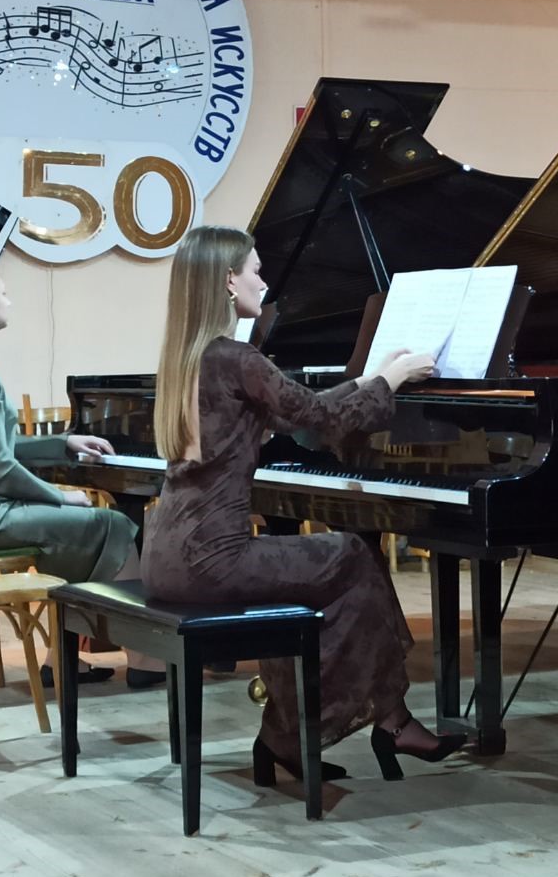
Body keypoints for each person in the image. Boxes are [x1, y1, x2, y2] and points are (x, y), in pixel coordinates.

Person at [142, 225, 467, 782]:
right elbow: (324, 419)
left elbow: (303, 412)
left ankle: (308, 734)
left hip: (167, 556)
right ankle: (366, 724)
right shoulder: (237, 358)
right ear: (228, 280)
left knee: (316, 578)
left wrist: (370, 379)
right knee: (354, 556)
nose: (263, 282)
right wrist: (391, 379)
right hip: (213, 560)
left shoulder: (190, 358)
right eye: (255, 270)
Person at [0, 262, 162, 687]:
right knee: (110, 524)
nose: (10, 301)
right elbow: (2, 470)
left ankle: (62, 660)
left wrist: (65, 442)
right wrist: (61, 496)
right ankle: (146, 660)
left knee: (84, 528)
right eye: (4, 293)